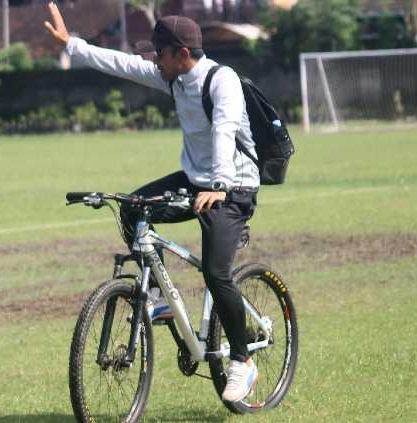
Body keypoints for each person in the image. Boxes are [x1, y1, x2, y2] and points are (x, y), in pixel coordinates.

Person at [45, 2, 259, 403]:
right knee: (132, 207)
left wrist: (219, 184)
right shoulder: (174, 78)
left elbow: (225, 130)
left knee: (216, 273)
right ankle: (157, 300)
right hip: (196, 182)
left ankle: (243, 362)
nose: (152, 60)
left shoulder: (221, 80)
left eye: (158, 53)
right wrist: (71, 44)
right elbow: (123, 64)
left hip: (233, 186)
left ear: (181, 54)